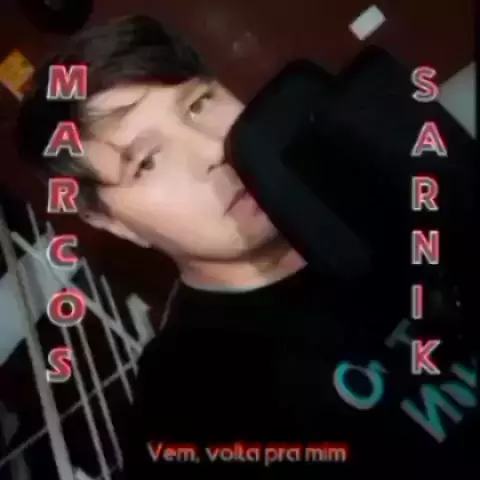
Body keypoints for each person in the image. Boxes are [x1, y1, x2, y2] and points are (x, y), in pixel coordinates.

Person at [16, 15, 477, 479]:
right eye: (147, 161)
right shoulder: (192, 402)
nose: (214, 152)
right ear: (113, 223)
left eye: (198, 104)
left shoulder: (366, 180)